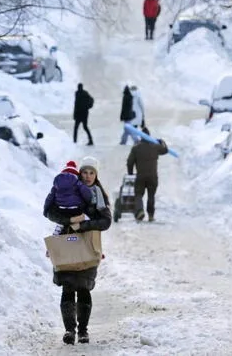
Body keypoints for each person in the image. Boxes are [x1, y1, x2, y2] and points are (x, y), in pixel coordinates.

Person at [44, 157, 111, 345]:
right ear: (79, 173)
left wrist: (81, 225)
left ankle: (83, 331)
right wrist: (68, 221)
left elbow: (105, 221)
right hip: (66, 244)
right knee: (67, 287)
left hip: (88, 244)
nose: (88, 176)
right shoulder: (66, 188)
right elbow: (48, 211)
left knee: (83, 288)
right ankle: (68, 331)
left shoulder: (97, 194)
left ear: (96, 175)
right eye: (85, 172)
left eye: (92, 172)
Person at [126, 127, 168, 222]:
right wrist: (161, 141)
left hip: (140, 176)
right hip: (153, 176)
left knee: (138, 194)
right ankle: (151, 215)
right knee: (151, 195)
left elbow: (129, 162)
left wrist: (130, 173)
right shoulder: (155, 147)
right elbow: (165, 150)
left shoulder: (136, 148)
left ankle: (140, 211)